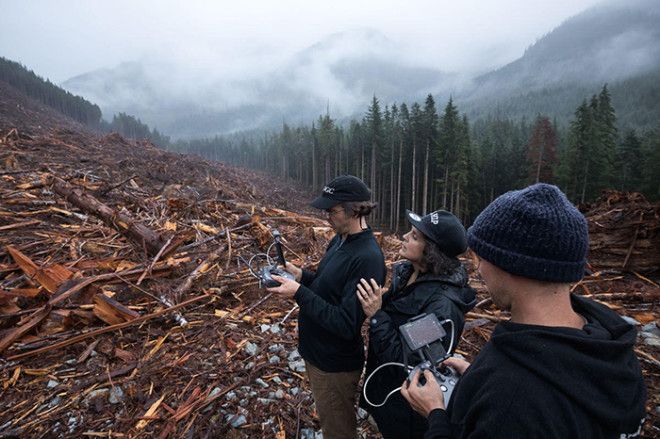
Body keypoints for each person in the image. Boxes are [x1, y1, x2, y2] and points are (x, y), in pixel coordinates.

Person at [401, 183, 647, 438]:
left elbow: (517, 402)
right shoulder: (613, 349)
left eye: (481, 257)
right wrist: (479, 380)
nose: (479, 269)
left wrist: (437, 416)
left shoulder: (508, 401)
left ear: (508, 264)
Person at [268, 175, 386, 439]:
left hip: (334, 365)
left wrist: (298, 293)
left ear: (354, 210)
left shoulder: (367, 258)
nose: (326, 217)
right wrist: (301, 276)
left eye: (331, 211)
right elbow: (326, 287)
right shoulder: (340, 239)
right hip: (317, 354)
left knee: (338, 431)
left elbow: (346, 323)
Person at [356, 209, 476, 439]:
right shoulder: (409, 272)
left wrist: (377, 314)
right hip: (386, 390)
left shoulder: (442, 305)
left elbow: (406, 361)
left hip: (407, 408)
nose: (404, 237)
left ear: (431, 251)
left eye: (414, 236)